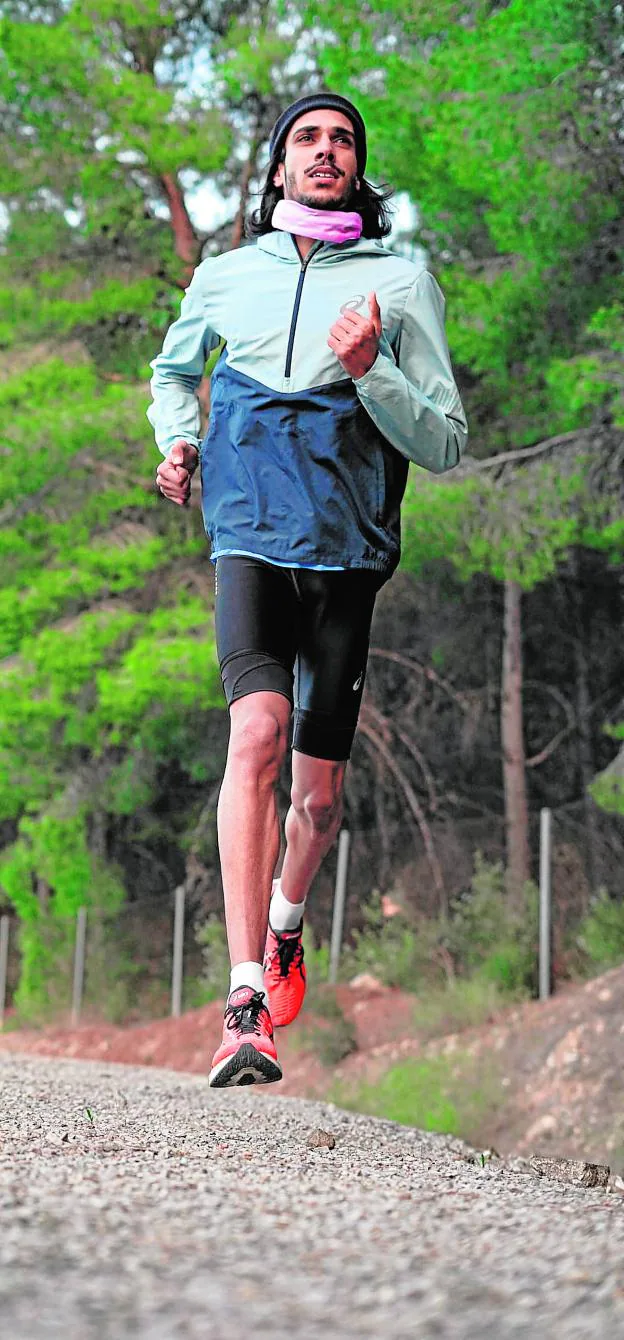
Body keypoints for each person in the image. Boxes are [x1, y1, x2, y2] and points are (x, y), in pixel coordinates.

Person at [147, 93, 468, 1088]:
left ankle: (286, 925)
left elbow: (446, 439)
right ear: (278, 168)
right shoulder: (226, 276)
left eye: (343, 141)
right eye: (307, 139)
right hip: (246, 528)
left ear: (356, 170)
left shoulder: (400, 282)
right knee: (255, 734)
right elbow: (172, 372)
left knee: (319, 802)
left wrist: (371, 370)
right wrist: (179, 438)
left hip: (346, 549)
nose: (325, 151)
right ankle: (245, 999)